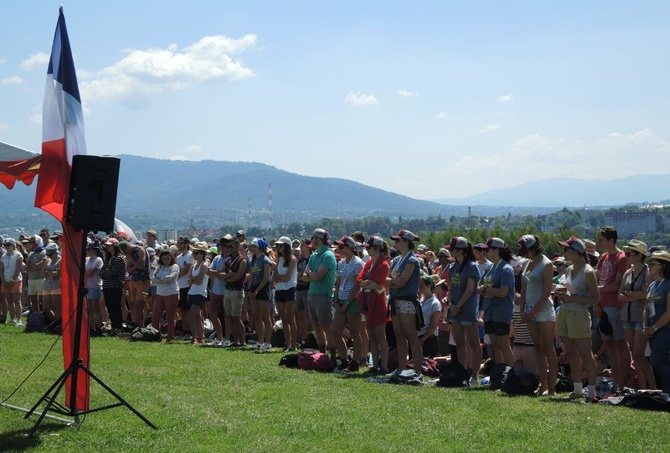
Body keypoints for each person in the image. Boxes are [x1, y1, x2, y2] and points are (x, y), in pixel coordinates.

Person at [556, 237, 600, 402]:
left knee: (585, 353)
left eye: (566, 249)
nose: (564, 253)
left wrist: (573, 297)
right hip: (566, 313)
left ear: (576, 252)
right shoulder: (568, 269)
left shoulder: (588, 272)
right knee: (572, 352)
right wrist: (562, 295)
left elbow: (595, 299)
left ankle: (591, 391)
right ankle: (577, 389)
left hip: (579, 315)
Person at [517, 234, 558, 395]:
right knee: (538, 349)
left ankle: (552, 386)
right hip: (529, 311)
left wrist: (534, 311)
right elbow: (524, 288)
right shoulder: (528, 263)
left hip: (543, 311)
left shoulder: (546, 264)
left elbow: (548, 290)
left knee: (548, 349)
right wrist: (523, 309)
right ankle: (543, 385)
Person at [595, 226, 631, 389]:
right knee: (610, 346)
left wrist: (596, 290)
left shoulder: (621, 258)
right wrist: (596, 301)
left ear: (611, 240)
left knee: (621, 346)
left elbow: (616, 285)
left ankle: (624, 382)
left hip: (615, 307)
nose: (599, 242)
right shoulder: (603, 257)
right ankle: (616, 382)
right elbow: (597, 278)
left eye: (601, 239)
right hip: (602, 306)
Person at [618, 239, 655, 389]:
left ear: (639, 255)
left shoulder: (647, 272)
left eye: (629, 254)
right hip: (627, 316)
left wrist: (629, 294)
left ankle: (652, 388)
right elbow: (619, 295)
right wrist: (635, 295)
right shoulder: (628, 272)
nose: (626, 256)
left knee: (640, 354)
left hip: (641, 316)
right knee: (635, 354)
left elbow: (646, 294)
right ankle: (642, 387)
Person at [387, 229, 423, 376]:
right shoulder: (396, 260)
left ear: (407, 242)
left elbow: (402, 282)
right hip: (395, 301)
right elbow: (388, 279)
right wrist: (394, 281)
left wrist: (393, 282)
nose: (395, 243)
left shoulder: (412, 261)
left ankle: (417, 370)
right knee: (399, 336)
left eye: (398, 241)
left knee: (411, 336)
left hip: (407, 302)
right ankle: (402, 368)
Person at [446, 236, 482, 382]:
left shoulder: (472, 266)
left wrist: (458, 306)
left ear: (460, 250)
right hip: (454, 309)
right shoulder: (453, 267)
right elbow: (450, 288)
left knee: (473, 344)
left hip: (467, 310)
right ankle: (461, 373)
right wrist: (450, 304)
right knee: (459, 343)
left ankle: (474, 375)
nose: (451, 252)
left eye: (453, 249)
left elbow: (470, 289)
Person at [478, 237, 515, 367]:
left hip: (501, 312)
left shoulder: (506, 269)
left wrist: (487, 289)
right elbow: (479, 287)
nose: (485, 252)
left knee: (504, 345)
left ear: (496, 250)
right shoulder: (489, 268)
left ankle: (512, 374)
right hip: (489, 311)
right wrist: (487, 289)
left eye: (487, 249)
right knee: (495, 346)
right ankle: (499, 374)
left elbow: (503, 292)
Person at [357, 235, 390, 373]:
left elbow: (376, 283)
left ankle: (384, 366)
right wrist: (367, 283)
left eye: (369, 247)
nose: (367, 249)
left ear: (376, 248)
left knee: (380, 335)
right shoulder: (369, 263)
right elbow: (359, 279)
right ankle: (375, 365)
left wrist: (367, 283)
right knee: (371, 335)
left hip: (378, 302)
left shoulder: (383, 264)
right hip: (367, 301)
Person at [302, 228, 337, 355]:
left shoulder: (328, 255)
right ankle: (322, 354)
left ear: (318, 239)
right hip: (312, 294)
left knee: (327, 328)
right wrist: (312, 274)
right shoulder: (314, 255)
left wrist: (310, 273)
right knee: (316, 327)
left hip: (323, 295)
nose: (311, 240)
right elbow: (303, 277)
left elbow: (317, 276)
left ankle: (333, 357)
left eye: (313, 238)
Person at [332, 235, 365, 370]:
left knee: (355, 332)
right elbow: (338, 281)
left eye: (342, 246)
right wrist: (335, 299)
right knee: (336, 332)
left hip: (353, 301)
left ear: (350, 248)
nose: (339, 249)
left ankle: (356, 361)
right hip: (341, 299)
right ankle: (344, 358)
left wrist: (347, 302)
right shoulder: (341, 263)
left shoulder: (358, 263)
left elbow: (357, 286)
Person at [643, 250, 670, 394]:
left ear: (663, 265)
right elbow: (646, 308)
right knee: (664, 362)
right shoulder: (653, 285)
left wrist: (654, 327)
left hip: (665, 329)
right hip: (652, 329)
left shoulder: (668, 284)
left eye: (653, 263)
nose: (650, 266)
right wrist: (645, 326)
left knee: (656, 362)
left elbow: (669, 312)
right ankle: (667, 397)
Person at [273, 236, 298, 352]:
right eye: (277, 246)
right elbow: (275, 278)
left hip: (290, 289)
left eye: (281, 245)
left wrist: (279, 277)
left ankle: (293, 344)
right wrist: (279, 277)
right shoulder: (279, 259)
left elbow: (287, 277)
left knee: (290, 318)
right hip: (279, 289)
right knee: (283, 319)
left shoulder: (292, 259)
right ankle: (287, 344)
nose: (278, 248)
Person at [221, 238, 247, 347]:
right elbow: (222, 273)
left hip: (236, 291)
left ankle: (243, 341)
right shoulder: (227, 260)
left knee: (237, 317)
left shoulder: (242, 260)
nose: (229, 249)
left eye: (231, 247)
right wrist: (229, 276)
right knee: (229, 317)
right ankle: (235, 340)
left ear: (237, 247)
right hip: (227, 290)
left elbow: (238, 276)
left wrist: (228, 277)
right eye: (228, 247)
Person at [248, 238, 273, 350]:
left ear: (259, 248)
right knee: (257, 316)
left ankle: (268, 342)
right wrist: (250, 289)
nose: (252, 248)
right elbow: (252, 275)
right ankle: (260, 340)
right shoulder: (254, 259)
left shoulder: (266, 260)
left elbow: (265, 278)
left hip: (262, 289)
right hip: (254, 288)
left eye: (254, 246)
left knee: (265, 317)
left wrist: (257, 290)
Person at [119, 240, 150, 328]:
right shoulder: (130, 255)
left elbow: (142, 266)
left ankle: (140, 326)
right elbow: (128, 269)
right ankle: (135, 325)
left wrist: (132, 261)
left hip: (142, 280)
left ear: (128, 247)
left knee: (139, 304)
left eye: (125, 252)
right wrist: (135, 264)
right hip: (133, 280)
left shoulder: (140, 250)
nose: (126, 254)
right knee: (133, 305)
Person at [152, 249, 180, 342]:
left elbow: (171, 278)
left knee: (170, 316)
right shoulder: (159, 267)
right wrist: (163, 279)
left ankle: (170, 336)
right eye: (164, 259)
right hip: (160, 294)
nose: (166, 261)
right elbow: (153, 278)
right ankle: (156, 335)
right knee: (155, 316)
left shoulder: (175, 266)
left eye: (168, 258)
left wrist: (160, 279)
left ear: (171, 258)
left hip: (172, 294)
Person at [101, 238, 126, 337]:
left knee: (116, 307)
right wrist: (106, 272)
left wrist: (106, 272)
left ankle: (118, 328)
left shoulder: (119, 258)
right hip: (107, 285)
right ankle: (113, 328)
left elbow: (113, 272)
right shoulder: (108, 259)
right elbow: (102, 273)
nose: (107, 247)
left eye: (109, 245)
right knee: (110, 307)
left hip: (115, 286)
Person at [187, 242, 210, 345]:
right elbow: (189, 280)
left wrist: (193, 279)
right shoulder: (193, 266)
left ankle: (194, 337)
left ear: (202, 254)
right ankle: (201, 338)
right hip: (192, 292)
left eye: (197, 253)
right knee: (198, 316)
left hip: (200, 293)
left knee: (191, 315)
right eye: (194, 253)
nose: (195, 255)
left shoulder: (204, 265)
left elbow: (199, 281)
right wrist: (193, 279)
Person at [207, 240, 228, 346]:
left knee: (227, 316)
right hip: (216, 290)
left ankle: (227, 338)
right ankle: (220, 337)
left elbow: (226, 275)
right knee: (213, 314)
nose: (221, 247)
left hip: (227, 291)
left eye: (224, 245)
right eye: (220, 245)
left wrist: (216, 274)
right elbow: (208, 271)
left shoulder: (230, 258)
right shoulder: (217, 258)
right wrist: (219, 273)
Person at [0, 238, 24, 327]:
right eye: (5, 245)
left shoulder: (18, 255)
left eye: (8, 245)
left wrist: (13, 280)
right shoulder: (3, 256)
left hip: (16, 280)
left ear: (13, 245)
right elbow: (1, 269)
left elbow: (18, 269)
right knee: (9, 300)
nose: (6, 247)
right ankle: (12, 319)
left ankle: (19, 319)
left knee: (17, 301)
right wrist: (3, 280)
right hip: (5, 280)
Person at [418, 274, 441, 358]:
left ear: (428, 286)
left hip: (429, 337)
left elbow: (433, 325)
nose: (419, 287)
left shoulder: (435, 303)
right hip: (419, 334)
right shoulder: (420, 300)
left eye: (421, 285)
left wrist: (423, 338)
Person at [175, 237, 194, 337]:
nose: (179, 245)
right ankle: (185, 330)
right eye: (178, 243)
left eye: (181, 243)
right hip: (180, 286)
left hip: (188, 286)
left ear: (186, 244)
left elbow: (184, 271)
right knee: (182, 310)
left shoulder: (191, 256)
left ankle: (191, 330)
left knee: (189, 310)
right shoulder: (178, 258)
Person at [86, 242, 105, 335]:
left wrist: (85, 273)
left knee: (95, 307)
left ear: (94, 250)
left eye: (89, 249)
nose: (87, 251)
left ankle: (99, 327)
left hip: (95, 286)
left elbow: (90, 273)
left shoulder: (98, 260)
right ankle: (91, 327)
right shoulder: (86, 260)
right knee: (89, 309)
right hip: (87, 286)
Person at [295, 239, 312, 345]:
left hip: (307, 289)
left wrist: (301, 275)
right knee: (300, 315)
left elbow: (307, 275)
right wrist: (301, 275)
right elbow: (297, 274)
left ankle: (309, 337)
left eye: (302, 245)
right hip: (299, 289)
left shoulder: (311, 259)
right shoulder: (300, 260)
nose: (300, 247)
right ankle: (301, 336)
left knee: (309, 315)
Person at [42, 243, 61, 329]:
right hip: (47, 285)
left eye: (51, 254)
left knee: (56, 306)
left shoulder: (60, 260)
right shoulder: (47, 261)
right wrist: (51, 273)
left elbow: (58, 273)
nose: (49, 256)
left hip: (56, 285)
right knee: (45, 307)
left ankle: (57, 324)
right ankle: (54, 322)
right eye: (48, 254)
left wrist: (50, 273)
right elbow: (43, 272)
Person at [25, 234, 47, 314]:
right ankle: (36, 315)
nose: (31, 243)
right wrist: (33, 267)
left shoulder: (43, 252)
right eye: (30, 242)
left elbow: (41, 265)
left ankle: (43, 315)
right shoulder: (31, 253)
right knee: (33, 300)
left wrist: (32, 267)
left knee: (42, 300)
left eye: (33, 242)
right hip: (31, 279)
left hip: (40, 279)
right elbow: (27, 265)